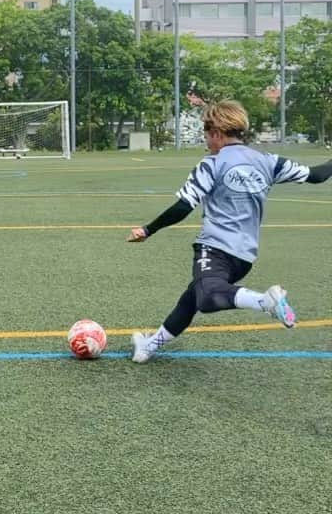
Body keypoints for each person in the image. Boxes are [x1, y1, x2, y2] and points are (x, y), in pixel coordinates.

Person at [126, 100, 332, 363]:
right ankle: (149, 345)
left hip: (214, 249)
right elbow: (316, 175)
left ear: (216, 133)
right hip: (244, 258)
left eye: (206, 136)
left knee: (208, 297)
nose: (206, 142)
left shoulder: (212, 164)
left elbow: (183, 206)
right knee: (192, 298)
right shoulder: (268, 161)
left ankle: (265, 302)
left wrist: (147, 229)